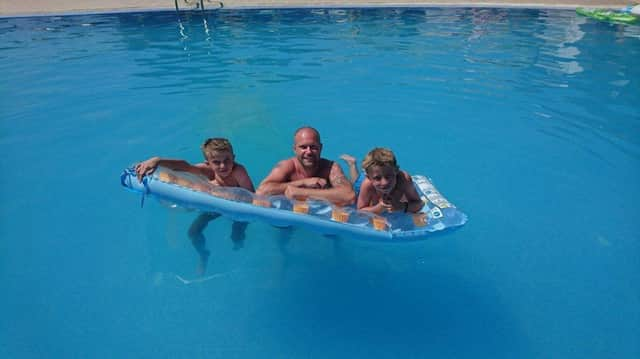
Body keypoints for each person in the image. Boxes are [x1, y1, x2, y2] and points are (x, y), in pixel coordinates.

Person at [135, 138, 254, 275]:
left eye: (227, 160)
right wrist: (157, 160)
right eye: (216, 162)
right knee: (193, 232)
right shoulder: (208, 171)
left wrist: (228, 197)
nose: (223, 166)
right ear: (208, 163)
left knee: (236, 236)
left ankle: (238, 254)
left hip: (237, 208)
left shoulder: (238, 171)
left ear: (233, 158)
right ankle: (204, 254)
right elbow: (184, 166)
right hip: (215, 208)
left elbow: (251, 196)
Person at [256, 127, 355, 206]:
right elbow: (261, 191)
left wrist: (300, 192)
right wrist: (303, 182)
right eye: (303, 147)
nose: (308, 152)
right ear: (295, 149)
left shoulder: (330, 168)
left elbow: (349, 196)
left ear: (320, 148)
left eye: (313, 147)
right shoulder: (286, 166)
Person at [342, 148, 424, 214]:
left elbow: (419, 204)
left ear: (396, 171)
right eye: (378, 178)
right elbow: (360, 211)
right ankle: (352, 164)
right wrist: (379, 208)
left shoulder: (404, 179)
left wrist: (402, 206)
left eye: (389, 176)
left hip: (373, 174)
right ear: (369, 177)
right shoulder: (367, 184)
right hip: (364, 184)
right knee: (356, 183)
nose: (384, 182)